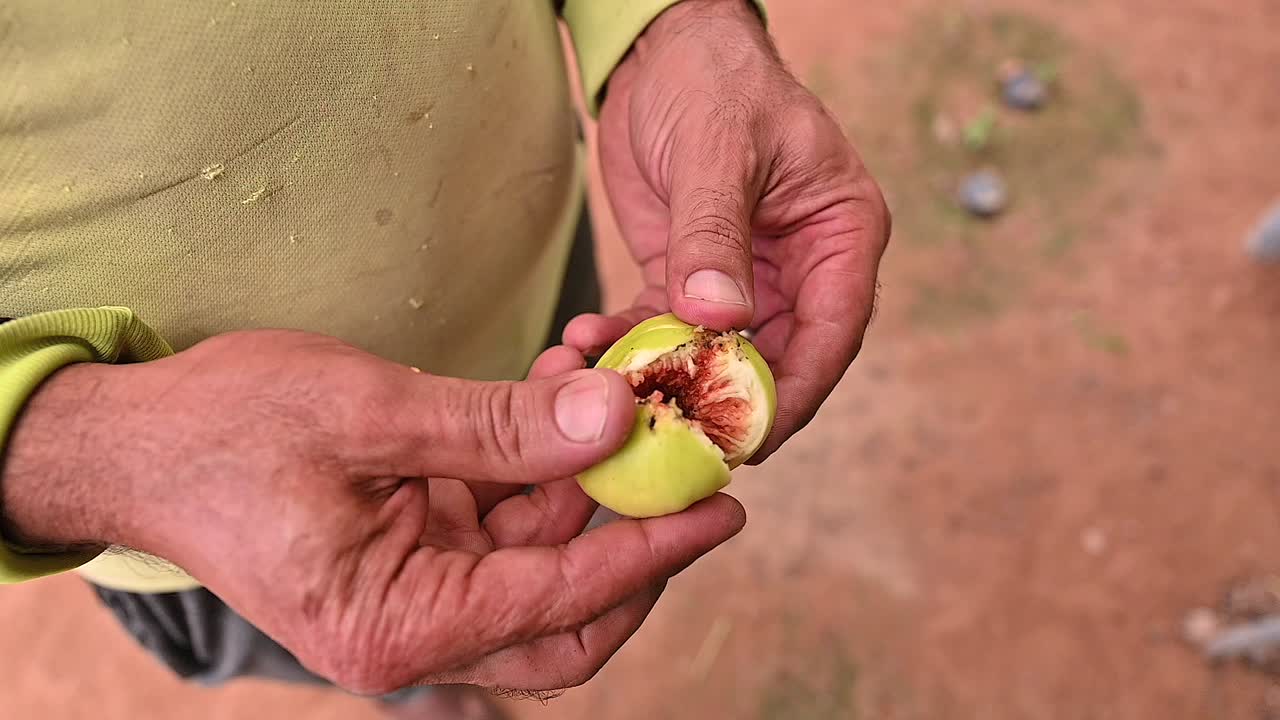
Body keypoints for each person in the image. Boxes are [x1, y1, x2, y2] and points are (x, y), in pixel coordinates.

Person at [0, 1, 890, 718]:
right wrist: (75, 447)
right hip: (198, 500)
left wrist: (661, 20)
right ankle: (414, 693)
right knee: (343, 631)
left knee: (501, 560)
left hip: (541, 295)